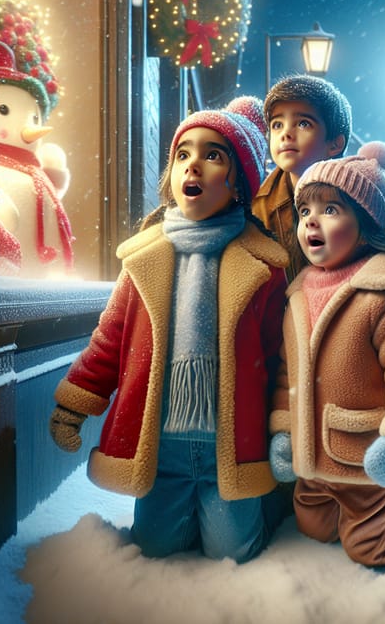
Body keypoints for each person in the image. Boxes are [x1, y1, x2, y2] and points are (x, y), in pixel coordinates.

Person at [48, 97, 290, 563]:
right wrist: (73, 405)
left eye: (212, 155)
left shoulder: (264, 267)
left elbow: (281, 359)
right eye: (184, 154)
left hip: (231, 445)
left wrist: (282, 427)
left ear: (238, 180)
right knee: (158, 550)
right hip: (160, 446)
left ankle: (260, 515)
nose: (193, 165)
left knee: (231, 555)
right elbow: (110, 341)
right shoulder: (144, 259)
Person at [268, 141, 385, 567]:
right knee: (313, 527)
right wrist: (284, 432)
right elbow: (285, 376)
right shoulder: (297, 294)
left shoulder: (383, 292)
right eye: (305, 211)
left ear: (365, 224)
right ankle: (349, 508)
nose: (312, 221)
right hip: (313, 459)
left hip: (366, 460)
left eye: (331, 210)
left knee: (371, 548)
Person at [252, 74, 385, 281]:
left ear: (335, 144)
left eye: (303, 123)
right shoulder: (258, 203)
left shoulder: (381, 194)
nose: (286, 134)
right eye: (277, 125)